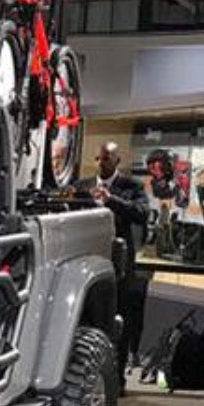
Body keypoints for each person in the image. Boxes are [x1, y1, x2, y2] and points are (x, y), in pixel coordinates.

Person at [77, 142, 150, 385]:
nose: (101, 163)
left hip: (118, 267)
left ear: (117, 161)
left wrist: (112, 200)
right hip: (87, 264)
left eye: (106, 159)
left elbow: (141, 213)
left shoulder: (132, 187)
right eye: (98, 159)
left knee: (118, 321)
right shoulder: (83, 185)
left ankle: (116, 379)